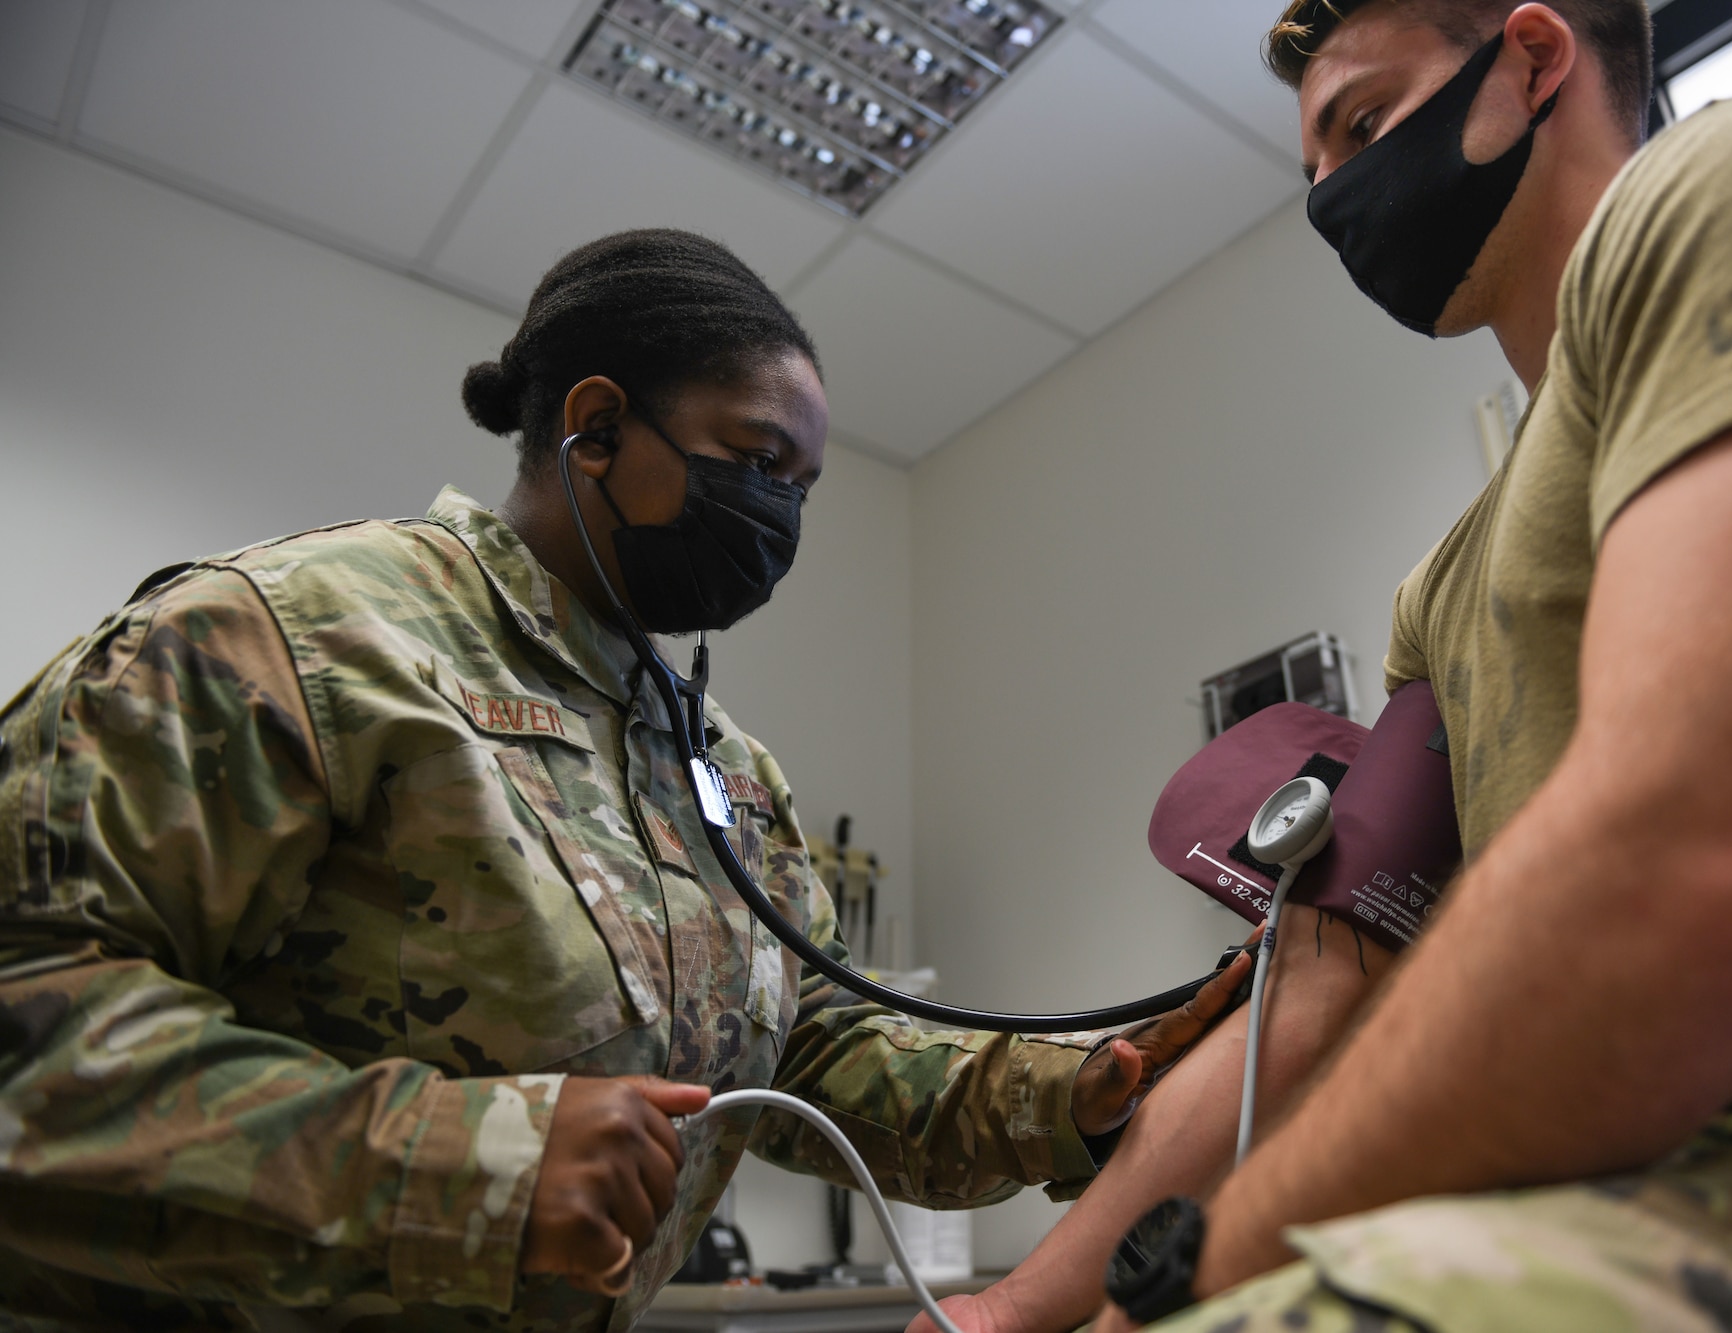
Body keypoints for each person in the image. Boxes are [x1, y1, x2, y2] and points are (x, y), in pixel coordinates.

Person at [915, 2, 1732, 1331]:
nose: (1334, 198)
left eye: (1363, 128)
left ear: (1532, 59)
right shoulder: (1441, 587)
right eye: (1311, 169)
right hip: (1595, 1197)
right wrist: (1017, 1309)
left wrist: (1208, 1262)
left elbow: (1730, 857)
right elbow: (1326, 989)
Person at [0, 229, 1250, 1332]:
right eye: (756, 461)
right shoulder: (308, 638)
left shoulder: (724, 769)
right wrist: (471, 1166)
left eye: (800, 489)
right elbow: (28, 1016)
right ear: (594, 426)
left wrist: (1077, 1088)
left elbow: (814, 1055)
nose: (779, 518)